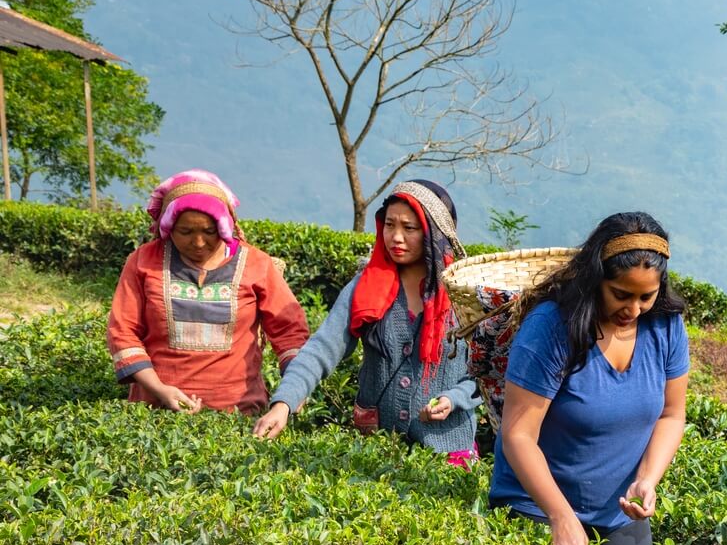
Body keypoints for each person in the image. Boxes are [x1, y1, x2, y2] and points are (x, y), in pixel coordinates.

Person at [488, 212, 689, 545]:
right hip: (536, 507)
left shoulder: (666, 325)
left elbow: (672, 415)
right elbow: (518, 434)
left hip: (617, 515)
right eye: (621, 295)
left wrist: (647, 478)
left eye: (647, 296)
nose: (634, 309)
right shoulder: (551, 327)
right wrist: (560, 516)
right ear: (596, 279)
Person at [253, 180, 479, 453]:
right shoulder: (366, 286)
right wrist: (284, 403)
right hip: (377, 447)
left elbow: (486, 373)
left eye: (409, 228)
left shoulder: (465, 296)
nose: (396, 237)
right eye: (389, 225)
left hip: (448, 448)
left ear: (434, 233)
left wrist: (454, 398)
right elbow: (322, 348)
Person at [107, 169, 309, 414]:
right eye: (186, 232)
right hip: (155, 409)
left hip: (239, 412)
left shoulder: (257, 264)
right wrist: (159, 388)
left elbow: (290, 331)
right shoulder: (143, 261)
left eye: (209, 231)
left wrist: (296, 387)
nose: (199, 242)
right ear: (168, 227)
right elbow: (123, 331)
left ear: (223, 226)